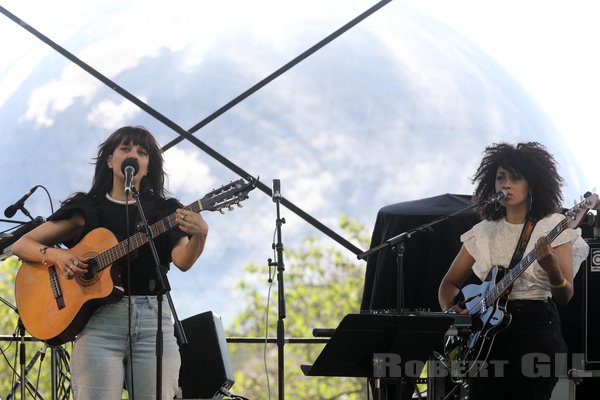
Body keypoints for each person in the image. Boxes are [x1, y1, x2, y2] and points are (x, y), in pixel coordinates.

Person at [12, 126, 209, 399]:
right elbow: (22, 244)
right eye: (125, 149)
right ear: (109, 159)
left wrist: (200, 236)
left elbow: (183, 260)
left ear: (148, 164)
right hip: (98, 325)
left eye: (142, 152)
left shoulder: (165, 211)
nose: (134, 156)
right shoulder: (88, 209)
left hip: (153, 324)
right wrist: (59, 255)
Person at [438, 142, 589, 400]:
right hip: (485, 337)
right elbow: (449, 284)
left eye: (515, 178)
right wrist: (453, 313)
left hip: (536, 330)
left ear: (533, 184)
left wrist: (552, 269)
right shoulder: (484, 231)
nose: (506, 184)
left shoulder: (555, 226)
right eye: (500, 178)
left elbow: (565, 296)